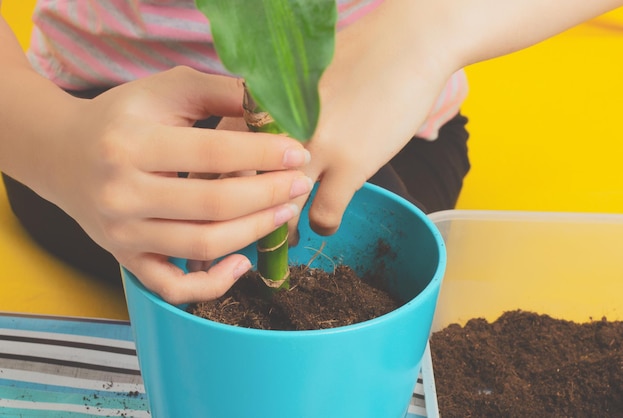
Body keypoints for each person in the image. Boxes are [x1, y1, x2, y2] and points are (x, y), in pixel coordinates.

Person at [0, 0, 472, 305]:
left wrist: (427, 31)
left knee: (370, 234)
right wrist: (56, 142)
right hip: (100, 119)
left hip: (394, 111)